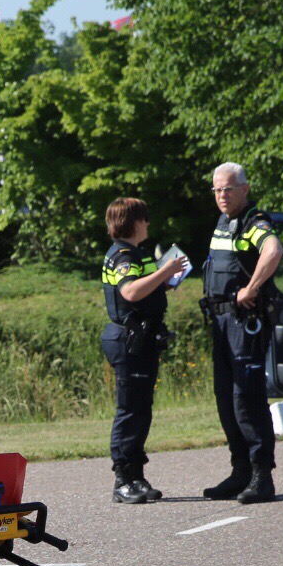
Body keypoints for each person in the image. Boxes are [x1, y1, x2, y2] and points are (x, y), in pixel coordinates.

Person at [201, 163, 283, 504]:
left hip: (243, 323)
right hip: (221, 322)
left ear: (245, 189)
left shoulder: (253, 222)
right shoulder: (223, 222)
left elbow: (273, 250)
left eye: (228, 189)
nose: (222, 195)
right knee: (225, 399)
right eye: (217, 190)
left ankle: (262, 475)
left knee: (246, 399)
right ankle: (241, 472)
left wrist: (252, 287)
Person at [100, 197, 187, 505]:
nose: (148, 223)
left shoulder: (138, 253)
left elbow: (145, 287)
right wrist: (165, 272)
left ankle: (136, 476)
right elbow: (130, 290)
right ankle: (122, 480)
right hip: (129, 340)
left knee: (141, 410)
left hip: (143, 339)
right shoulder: (123, 255)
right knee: (129, 410)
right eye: (144, 218)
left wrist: (168, 279)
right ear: (133, 222)